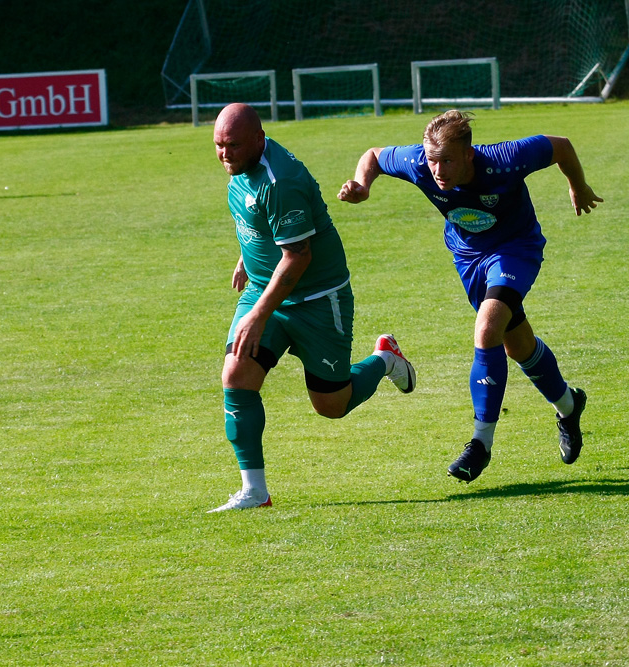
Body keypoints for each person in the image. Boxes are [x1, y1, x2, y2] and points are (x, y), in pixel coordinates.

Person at [338, 110, 602, 483]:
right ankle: (568, 405)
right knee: (515, 343)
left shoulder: (505, 159)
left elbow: (560, 146)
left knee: (487, 329)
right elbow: (374, 157)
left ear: (468, 155)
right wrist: (362, 184)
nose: (437, 169)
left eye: (447, 160)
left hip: (515, 249)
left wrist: (578, 185)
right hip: (469, 257)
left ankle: (480, 443)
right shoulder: (417, 163)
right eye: (432, 160)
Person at [208, 103, 416, 512]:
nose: (224, 154)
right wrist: (247, 259)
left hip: (318, 297)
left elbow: (298, 257)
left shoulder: (281, 180)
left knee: (331, 406)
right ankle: (254, 491)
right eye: (218, 145)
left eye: (232, 144)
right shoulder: (241, 167)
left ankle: (384, 359)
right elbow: (255, 221)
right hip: (268, 288)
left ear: (258, 139)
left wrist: (258, 313)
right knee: (236, 373)